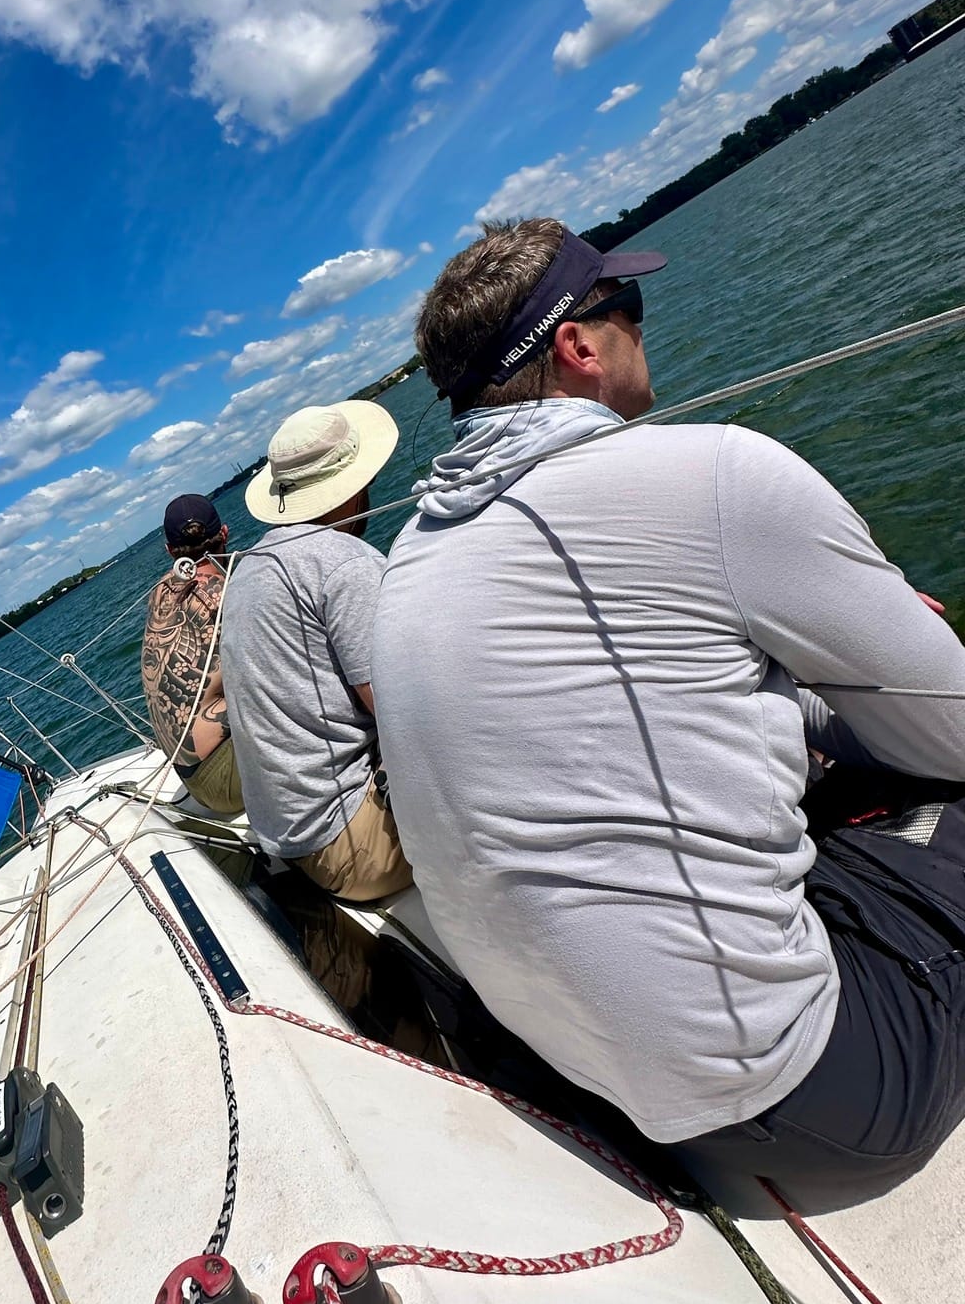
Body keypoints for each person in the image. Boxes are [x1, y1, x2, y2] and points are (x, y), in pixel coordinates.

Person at [373, 216, 965, 1185]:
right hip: (806, 1092)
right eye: (630, 306)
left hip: (580, 1073)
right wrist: (851, 660)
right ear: (579, 346)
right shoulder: (716, 472)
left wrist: (784, 687)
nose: (643, 326)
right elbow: (954, 734)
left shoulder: (408, 562)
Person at [221, 402, 413, 903]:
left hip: (289, 837)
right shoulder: (345, 563)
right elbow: (404, 714)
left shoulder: (247, 567)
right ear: (352, 487)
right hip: (353, 844)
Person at [140, 494, 244, 817]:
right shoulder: (232, 591)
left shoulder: (159, 592)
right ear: (224, 533)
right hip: (228, 777)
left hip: (188, 778)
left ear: (170, 551)